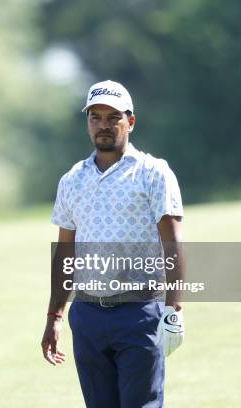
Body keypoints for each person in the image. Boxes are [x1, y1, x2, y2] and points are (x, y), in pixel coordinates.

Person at [41, 80, 186, 407]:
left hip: (140, 312)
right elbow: (66, 253)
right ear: (88, 122)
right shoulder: (72, 179)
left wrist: (173, 310)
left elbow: (173, 245)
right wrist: (55, 317)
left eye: (113, 117)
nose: (104, 125)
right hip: (88, 314)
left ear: (130, 121)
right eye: (96, 117)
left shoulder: (153, 173)